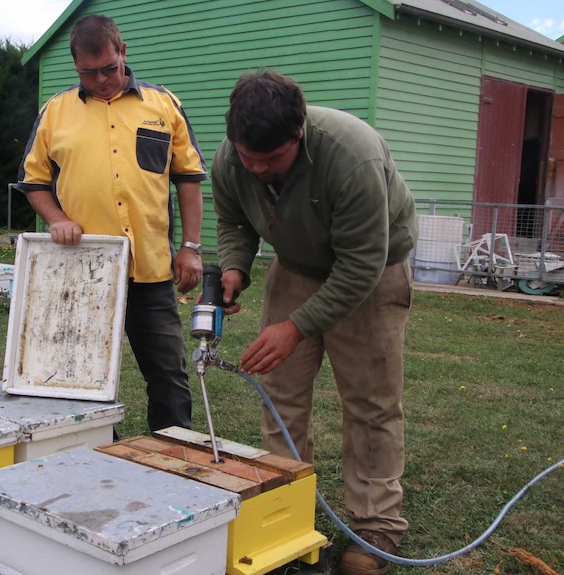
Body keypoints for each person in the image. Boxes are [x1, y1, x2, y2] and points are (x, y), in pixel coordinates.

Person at [210, 69, 417, 575]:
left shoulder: (352, 157)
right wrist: (235, 266)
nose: (257, 168)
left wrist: (296, 326)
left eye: (271, 159)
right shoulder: (230, 158)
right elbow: (234, 220)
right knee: (280, 394)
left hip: (374, 269)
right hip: (296, 267)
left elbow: (362, 265)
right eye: (247, 157)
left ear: (298, 133)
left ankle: (375, 526)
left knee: (370, 401)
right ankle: (286, 513)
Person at [14, 14, 207, 433]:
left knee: (168, 375)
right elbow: (33, 182)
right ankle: (99, 452)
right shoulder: (55, 112)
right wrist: (57, 218)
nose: (101, 79)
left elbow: (189, 180)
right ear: (75, 65)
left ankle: (172, 454)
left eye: (109, 68)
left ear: (123, 54)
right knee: (83, 372)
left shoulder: (163, 105)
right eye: (89, 72)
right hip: (82, 271)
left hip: (150, 271)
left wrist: (191, 247)